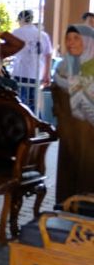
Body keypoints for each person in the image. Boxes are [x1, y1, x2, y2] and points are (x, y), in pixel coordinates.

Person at [51, 24, 94, 204]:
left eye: (77, 38)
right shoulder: (63, 66)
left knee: (88, 170)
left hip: (89, 131)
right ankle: (66, 207)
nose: (71, 42)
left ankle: (86, 211)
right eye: (68, 38)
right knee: (68, 169)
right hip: (69, 131)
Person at [9, 9, 53, 112]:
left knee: (19, 101)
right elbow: (48, 55)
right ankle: (35, 123)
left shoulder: (16, 33)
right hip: (36, 73)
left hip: (20, 71)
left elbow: (8, 50)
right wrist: (47, 74)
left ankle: (25, 122)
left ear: (20, 19)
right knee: (33, 102)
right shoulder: (43, 35)